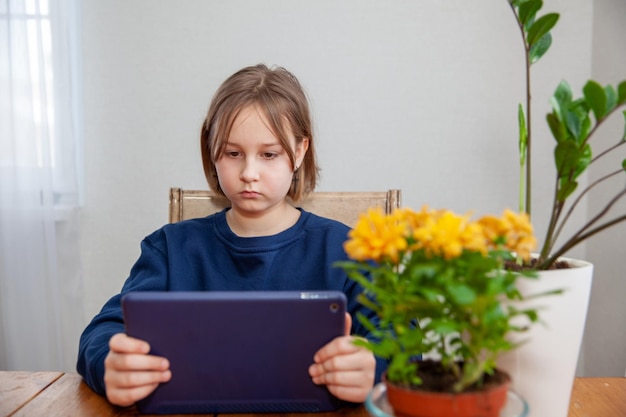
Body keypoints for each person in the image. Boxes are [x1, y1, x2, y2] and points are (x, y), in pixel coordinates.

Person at [76, 63, 386, 408]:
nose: (249, 173)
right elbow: (102, 332)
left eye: (269, 154)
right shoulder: (169, 248)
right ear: (211, 150)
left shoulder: (348, 249)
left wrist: (372, 364)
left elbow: (403, 339)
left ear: (299, 152)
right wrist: (110, 365)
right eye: (233, 153)